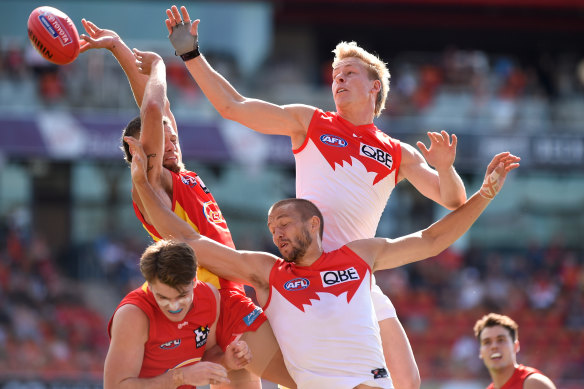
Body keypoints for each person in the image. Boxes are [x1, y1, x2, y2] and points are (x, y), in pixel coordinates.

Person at [165, 6, 468, 388]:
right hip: (303, 276)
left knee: (408, 381)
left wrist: (445, 167)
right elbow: (233, 107)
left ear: (375, 87)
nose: (338, 80)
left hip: (355, 277)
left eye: (349, 74)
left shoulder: (397, 152)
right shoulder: (310, 122)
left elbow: (454, 201)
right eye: (335, 75)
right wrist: (191, 55)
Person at [128, 131, 519, 388]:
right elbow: (188, 238)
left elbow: (432, 239)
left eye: (283, 222)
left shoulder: (360, 256)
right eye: (270, 226)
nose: (276, 232)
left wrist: (483, 195)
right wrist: (142, 182)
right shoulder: (267, 272)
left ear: (313, 222)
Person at [79, 23, 295, 388]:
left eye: (175, 136)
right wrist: (160, 67)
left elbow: (159, 110)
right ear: (141, 148)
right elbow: (152, 107)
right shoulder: (152, 181)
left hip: (227, 294)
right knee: (302, 377)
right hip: (213, 305)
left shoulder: (180, 173)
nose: (173, 141)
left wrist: (118, 47)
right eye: (165, 139)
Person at [104, 239, 251, 388]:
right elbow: (114, 386)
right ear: (150, 285)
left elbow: (209, 353)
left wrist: (227, 361)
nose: (174, 306)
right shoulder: (133, 315)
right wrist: (180, 377)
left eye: (181, 296)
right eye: (163, 297)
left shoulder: (210, 296)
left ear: (194, 280)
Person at [473, 313, 557, 389]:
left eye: (501, 340)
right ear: (480, 352)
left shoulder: (533, 384)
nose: (494, 346)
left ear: (515, 346)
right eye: (487, 342)